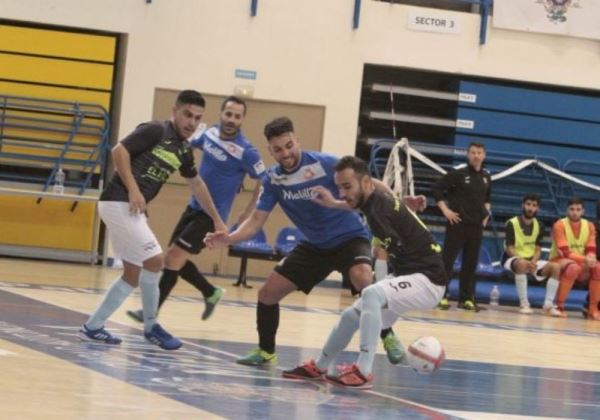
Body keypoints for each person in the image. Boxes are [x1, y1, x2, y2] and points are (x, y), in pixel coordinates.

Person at [204, 117, 404, 366]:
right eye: (278, 149)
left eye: (289, 145)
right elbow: (256, 221)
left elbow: (371, 186)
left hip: (350, 238)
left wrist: (400, 206)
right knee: (267, 294)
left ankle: (388, 335)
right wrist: (229, 238)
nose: (285, 153)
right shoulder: (272, 179)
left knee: (364, 279)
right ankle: (266, 352)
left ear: (297, 141)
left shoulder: (327, 163)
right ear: (270, 151)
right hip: (314, 246)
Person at [282, 156, 447, 389]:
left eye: (347, 187)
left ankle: (363, 370)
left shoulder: (378, 211)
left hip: (428, 280)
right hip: (410, 275)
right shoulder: (376, 200)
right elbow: (373, 199)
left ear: (367, 183)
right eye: (339, 187)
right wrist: (333, 204)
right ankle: (319, 367)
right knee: (350, 316)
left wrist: (379, 252)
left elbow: (392, 248)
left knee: (371, 294)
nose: (342, 193)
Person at [78, 90, 226, 350]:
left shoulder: (183, 150)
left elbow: (197, 184)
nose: (191, 122)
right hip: (118, 201)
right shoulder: (156, 130)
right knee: (156, 260)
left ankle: (93, 326)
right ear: (175, 111)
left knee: (132, 274)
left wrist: (217, 220)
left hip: (128, 208)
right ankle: (151, 327)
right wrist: (135, 190)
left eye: (197, 118)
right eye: (187, 114)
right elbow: (119, 151)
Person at [126, 96, 264, 323]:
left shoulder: (247, 151)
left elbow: (263, 179)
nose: (231, 119)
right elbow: (186, 144)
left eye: (237, 116)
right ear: (221, 114)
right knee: (173, 259)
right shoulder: (208, 133)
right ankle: (210, 292)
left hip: (212, 216)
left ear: (243, 120)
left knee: (171, 259)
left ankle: (150, 313)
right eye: (228, 114)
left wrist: (248, 212)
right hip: (193, 206)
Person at [432, 142, 491, 311]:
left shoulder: (486, 177)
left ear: (484, 155)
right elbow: (437, 188)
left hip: (476, 227)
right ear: (468, 155)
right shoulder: (458, 174)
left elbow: (487, 198)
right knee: (447, 262)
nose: (476, 155)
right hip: (457, 224)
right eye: (473, 152)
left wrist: (486, 215)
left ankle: (466, 298)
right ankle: (441, 296)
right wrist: (446, 210)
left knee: (471, 264)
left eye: (479, 152)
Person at [501, 194, 561, 315]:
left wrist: (533, 262)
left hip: (531, 260)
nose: (530, 208)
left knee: (556, 267)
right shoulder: (512, 223)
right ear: (523, 205)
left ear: (538, 208)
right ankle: (524, 303)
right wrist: (524, 261)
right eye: (528, 204)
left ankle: (548, 305)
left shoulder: (540, 225)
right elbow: (509, 248)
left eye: (534, 206)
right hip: (512, 258)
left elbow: (538, 249)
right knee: (522, 264)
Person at [550, 197, 600, 320]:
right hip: (558, 261)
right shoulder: (559, 225)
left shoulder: (590, 226)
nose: (575, 212)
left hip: (580, 263)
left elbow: (591, 248)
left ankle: (592, 309)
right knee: (573, 268)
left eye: (578, 209)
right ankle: (559, 306)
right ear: (567, 210)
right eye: (572, 209)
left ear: (583, 211)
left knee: (598, 267)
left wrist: (591, 258)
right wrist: (585, 260)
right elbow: (564, 252)